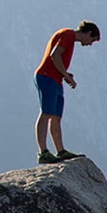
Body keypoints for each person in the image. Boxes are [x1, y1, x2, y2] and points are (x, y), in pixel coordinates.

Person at [35, 20, 100, 163]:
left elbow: (57, 59)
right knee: (46, 113)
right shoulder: (68, 34)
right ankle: (43, 152)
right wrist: (65, 75)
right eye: (92, 40)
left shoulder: (70, 39)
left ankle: (60, 151)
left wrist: (65, 74)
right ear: (88, 33)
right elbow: (55, 55)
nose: (90, 44)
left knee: (56, 116)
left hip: (55, 79)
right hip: (46, 76)